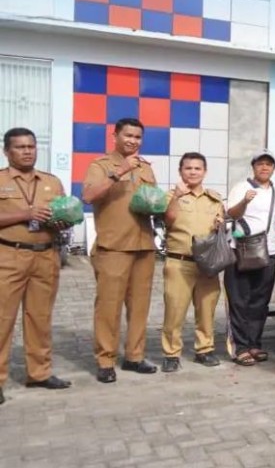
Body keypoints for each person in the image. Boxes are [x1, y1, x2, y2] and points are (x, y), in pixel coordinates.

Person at [81, 118, 159, 383]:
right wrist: (120, 171)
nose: (133, 141)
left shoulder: (146, 168)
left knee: (139, 306)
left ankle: (134, 356)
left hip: (143, 245)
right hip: (113, 246)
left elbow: (152, 201)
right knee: (108, 307)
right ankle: (105, 360)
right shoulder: (100, 165)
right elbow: (89, 196)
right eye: (128, 135)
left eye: (138, 137)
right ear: (114, 135)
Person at [0, 128, 72, 404]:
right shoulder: (1, 180)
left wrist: (63, 221)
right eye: (20, 147)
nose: (27, 151)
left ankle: (39, 373)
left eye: (31, 146)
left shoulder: (51, 182)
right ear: (7, 151)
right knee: (3, 319)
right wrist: (26, 213)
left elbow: (64, 214)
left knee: (40, 318)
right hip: (9, 255)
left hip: (45, 256)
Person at [160, 152, 225, 372]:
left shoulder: (214, 198)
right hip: (179, 262)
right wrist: (177, 197)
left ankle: (204, 349)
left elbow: (221, 228)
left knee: (207, 308)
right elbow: (167, 220)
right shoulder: (170, 195)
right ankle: (171, 353)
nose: (193, 172)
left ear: (204, 172)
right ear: (181, 171)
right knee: (175, 310)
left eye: (198, 168)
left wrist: (220, 225)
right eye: (188, 168)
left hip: (208, 263)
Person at [225, 150, 275, 367]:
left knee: (260, 302)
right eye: (260, 164)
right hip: (240, 252)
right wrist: (244, 201)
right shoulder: (241, 187)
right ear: (253, 167)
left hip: (269, 252)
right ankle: (240, 347)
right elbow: (231, 214)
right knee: (239, 301)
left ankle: (254, 343)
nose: (264, 167)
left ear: (273, 169)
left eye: (268, 164)